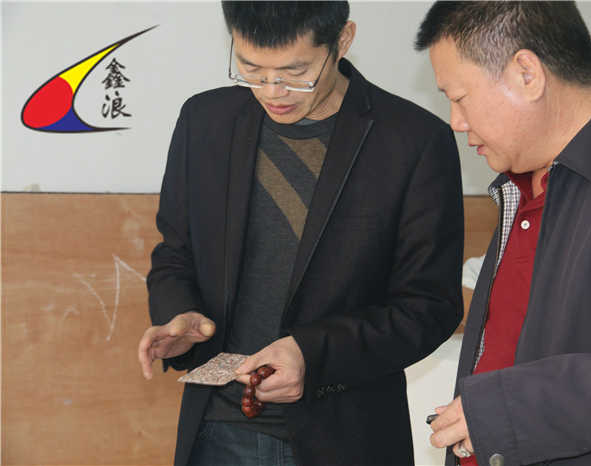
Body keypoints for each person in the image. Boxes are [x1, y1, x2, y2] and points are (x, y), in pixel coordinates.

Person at [137, 2, 464, 465]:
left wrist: (313, 354)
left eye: (295, 72)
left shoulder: (412, 140)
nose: (273, 91)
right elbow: (175, 253)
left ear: (342, 41)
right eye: (251, 69)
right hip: (218, 429)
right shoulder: (205, 121)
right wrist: (180, 314)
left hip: (346, 437)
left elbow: (429, 307)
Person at [414, 2, 591, 466]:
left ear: (527, 74)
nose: (455, 121)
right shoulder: (523, 180)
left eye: (459, 97)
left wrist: (514, 409)